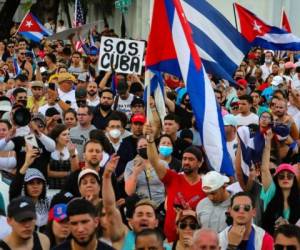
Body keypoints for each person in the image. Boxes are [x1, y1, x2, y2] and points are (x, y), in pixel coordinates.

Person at [145, 122, 207, 242]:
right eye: (184, 159)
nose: (186, 162)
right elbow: (154, 161)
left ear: (199, 163)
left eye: (191, 159)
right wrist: (150, 140)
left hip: (194, 242)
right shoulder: (173, 178)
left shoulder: (206, 186)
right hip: (170, 240)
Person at [260, 130, 300, 235]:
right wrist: (268, 141)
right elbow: (264, 169)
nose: (285, 178)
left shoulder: (298, 200)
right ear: (276, 179)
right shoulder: (271, 192)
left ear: (294, 180)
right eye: (281, 176)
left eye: (289, 176)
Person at [9, 145, 51, 231]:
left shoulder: (48, 202)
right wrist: (26, 164)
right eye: (31, 183)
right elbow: (15, 188)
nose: (35, 186)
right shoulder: (19, 202)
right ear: (24, 186)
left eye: (39, 183)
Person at [124, 137, 167, 206]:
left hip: (161, 204)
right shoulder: (130, 165)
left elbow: (168, 187)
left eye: (146, 146)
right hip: (140, 204)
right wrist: (135, 173)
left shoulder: (163, 164)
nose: (143, 148)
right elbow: (129, 192)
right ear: (137, 150)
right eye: (140, 147)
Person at [48, 124, 79, 189]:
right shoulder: (50, 150)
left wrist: (72, 154)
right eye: (64, 135)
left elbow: (75, 170)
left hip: (69, 188)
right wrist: (68, 174)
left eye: (68, 134)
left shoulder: (72, 149)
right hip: (52, 187)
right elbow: (48, 173)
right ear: (56, 138)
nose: (68, 137)